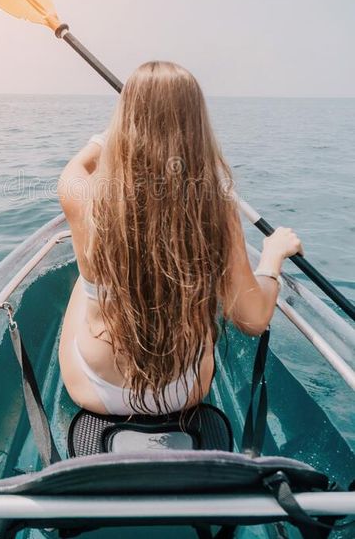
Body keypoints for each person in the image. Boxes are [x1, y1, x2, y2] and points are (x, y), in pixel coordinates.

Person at [58, 61, 302, 416]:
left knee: (85, 284)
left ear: (124, 123)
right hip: (183, 391)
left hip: (93, 389)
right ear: (196, 127)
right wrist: (272, 255)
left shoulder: (82, 197)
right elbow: (252, 320)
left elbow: (77, 165)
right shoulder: (217, 207)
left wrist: (104, 139)